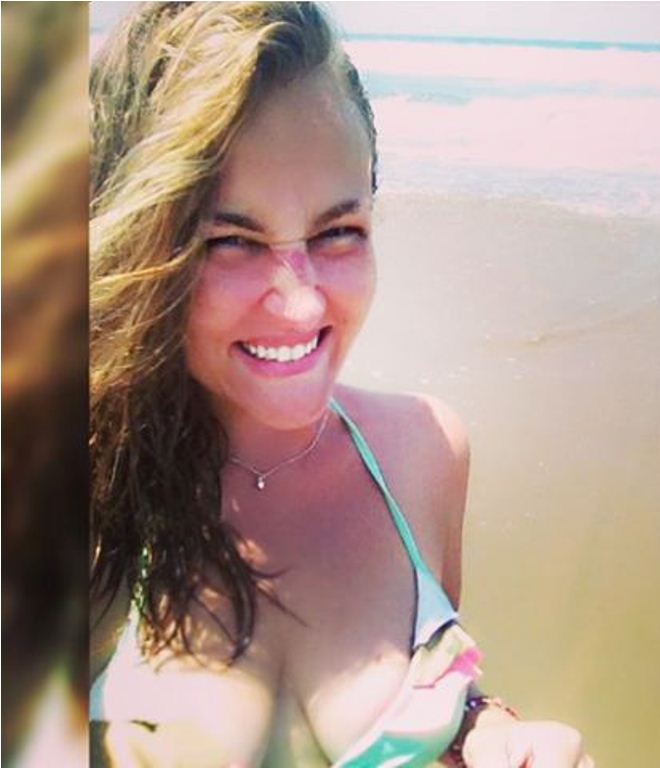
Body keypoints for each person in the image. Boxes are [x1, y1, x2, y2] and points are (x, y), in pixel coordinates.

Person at [89, 3, 594, 766]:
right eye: (230, 241)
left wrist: (491, 732)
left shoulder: (427, 448)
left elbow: (440, 694)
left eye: (337, 232)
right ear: (140, 241)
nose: (301, 304)